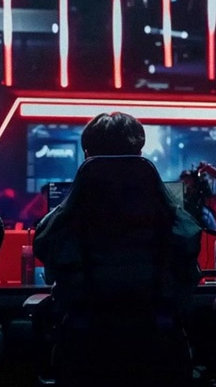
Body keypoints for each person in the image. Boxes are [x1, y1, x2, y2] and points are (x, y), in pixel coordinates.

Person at [32, 112, 203, 314]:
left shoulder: (67, 219)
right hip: (154, 329)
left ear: (86, 155)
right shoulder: (169, 217)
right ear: (139, 154)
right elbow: (190, 270)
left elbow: (45, 251)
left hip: (84, 330)